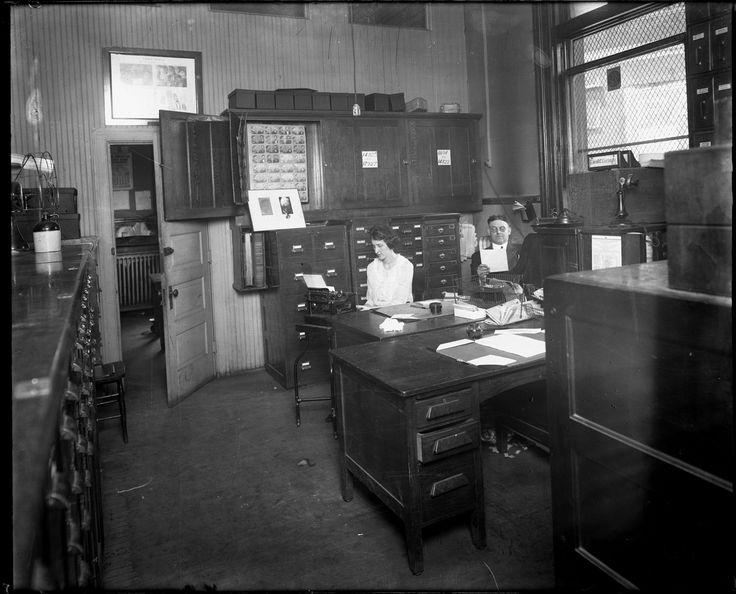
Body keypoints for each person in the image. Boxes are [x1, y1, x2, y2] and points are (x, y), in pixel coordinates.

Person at [364, 224, 414, 307]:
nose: (376, 251)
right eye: (374, 246)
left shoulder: (405, 266)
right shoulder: (371, 267)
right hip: (376, 314)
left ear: (390, 243)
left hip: (398, 313)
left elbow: (399, 302)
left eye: (380, 246)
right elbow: (370, 300)